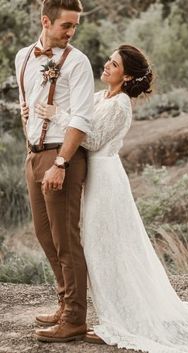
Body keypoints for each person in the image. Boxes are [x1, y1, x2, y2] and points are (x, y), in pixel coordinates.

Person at [31, 44, 188, 352]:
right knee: (101, 246)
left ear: (125, 76)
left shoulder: (120, 105)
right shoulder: (102, 97)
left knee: (107, 249)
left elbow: (96, 139)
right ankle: (98, 312)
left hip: (106, 179)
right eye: (109, 61)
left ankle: (120, 322)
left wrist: (58, 116)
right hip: (95, 177)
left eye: (112, 65)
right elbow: (80, 115)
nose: (106, 66)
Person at [15, 0, 94, 342]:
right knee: (45, 236)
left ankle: (75, 318)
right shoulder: (22, 58)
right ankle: (64, 304)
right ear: (46, 21)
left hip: (63, 158)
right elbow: (26, 107)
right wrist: (30, 151)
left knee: (66, 240)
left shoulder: (76, 61)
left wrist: (61, 162)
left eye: (75, 25)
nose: (71, 32)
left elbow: (81, 118)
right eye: (66, 25)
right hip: (34, 156)